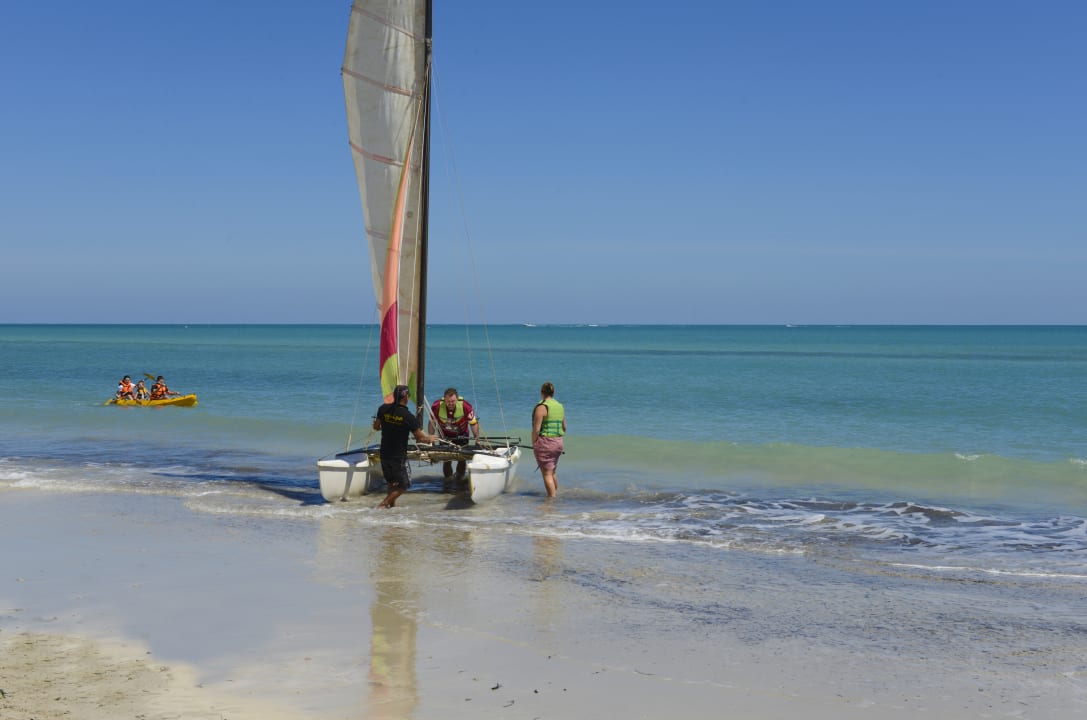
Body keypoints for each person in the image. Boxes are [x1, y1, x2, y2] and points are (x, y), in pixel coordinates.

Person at [372, 384, 437, 509]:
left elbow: (376, 427)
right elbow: (420, 437)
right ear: (406, 397)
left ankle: (391, 506)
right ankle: (383, 505)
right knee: (403, 485)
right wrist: (429, 438)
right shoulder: (408, 417)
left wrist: (387, 424)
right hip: (397, 456)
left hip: (384, 453)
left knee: (391, 482)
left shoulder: (383, 409)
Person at [428, 387, 480, 486]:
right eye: (448, 401)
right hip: (445, 436)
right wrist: (431, 437)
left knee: (462, 459)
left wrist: (477, 439)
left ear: (457, 399)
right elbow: (432, 423)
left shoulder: (465, 406)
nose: (450, 403)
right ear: (444, 399)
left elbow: (473, 424)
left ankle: (460, 479)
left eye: (453, 401)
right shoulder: (436, 406)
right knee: (447, 460)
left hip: (462, 436)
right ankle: (448, 481)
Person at [531, 382, 566, 498]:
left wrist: (534, 443)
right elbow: (564, 427)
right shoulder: (560, 406)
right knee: (553, 471)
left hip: (546, 443)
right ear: (553, 393)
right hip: (559, 442)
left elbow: (536, 429)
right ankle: (555, 494)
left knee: (546, 474)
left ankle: (552, 500)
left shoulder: (542, 407)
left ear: (542, 393)